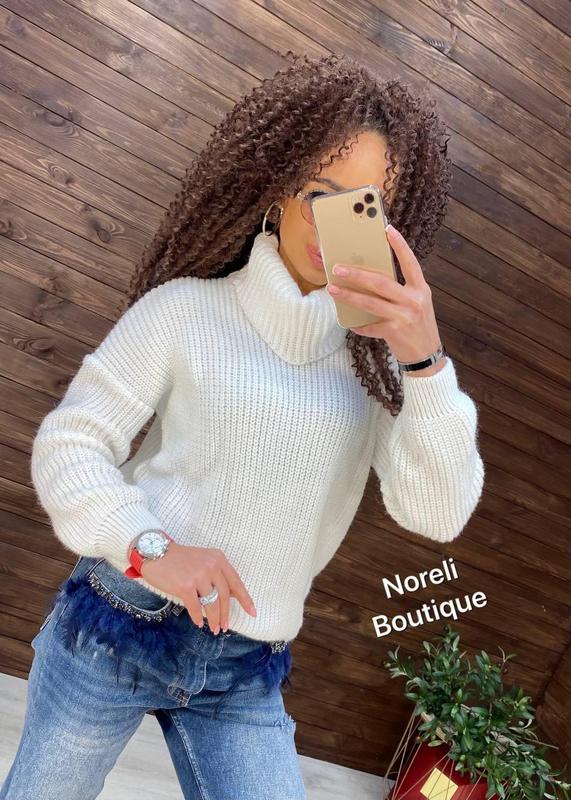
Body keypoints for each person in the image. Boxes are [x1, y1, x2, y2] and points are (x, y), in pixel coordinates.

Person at [1, 51, 484, 799]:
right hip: (118, 623)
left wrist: (425, 363)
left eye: (365, 209)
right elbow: (72, 443)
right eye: (320, 195)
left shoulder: (380, 369)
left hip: (243, 670)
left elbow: (438, 513)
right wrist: (151, 548)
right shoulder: (186, 311)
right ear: (280, 190)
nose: (333, 226)